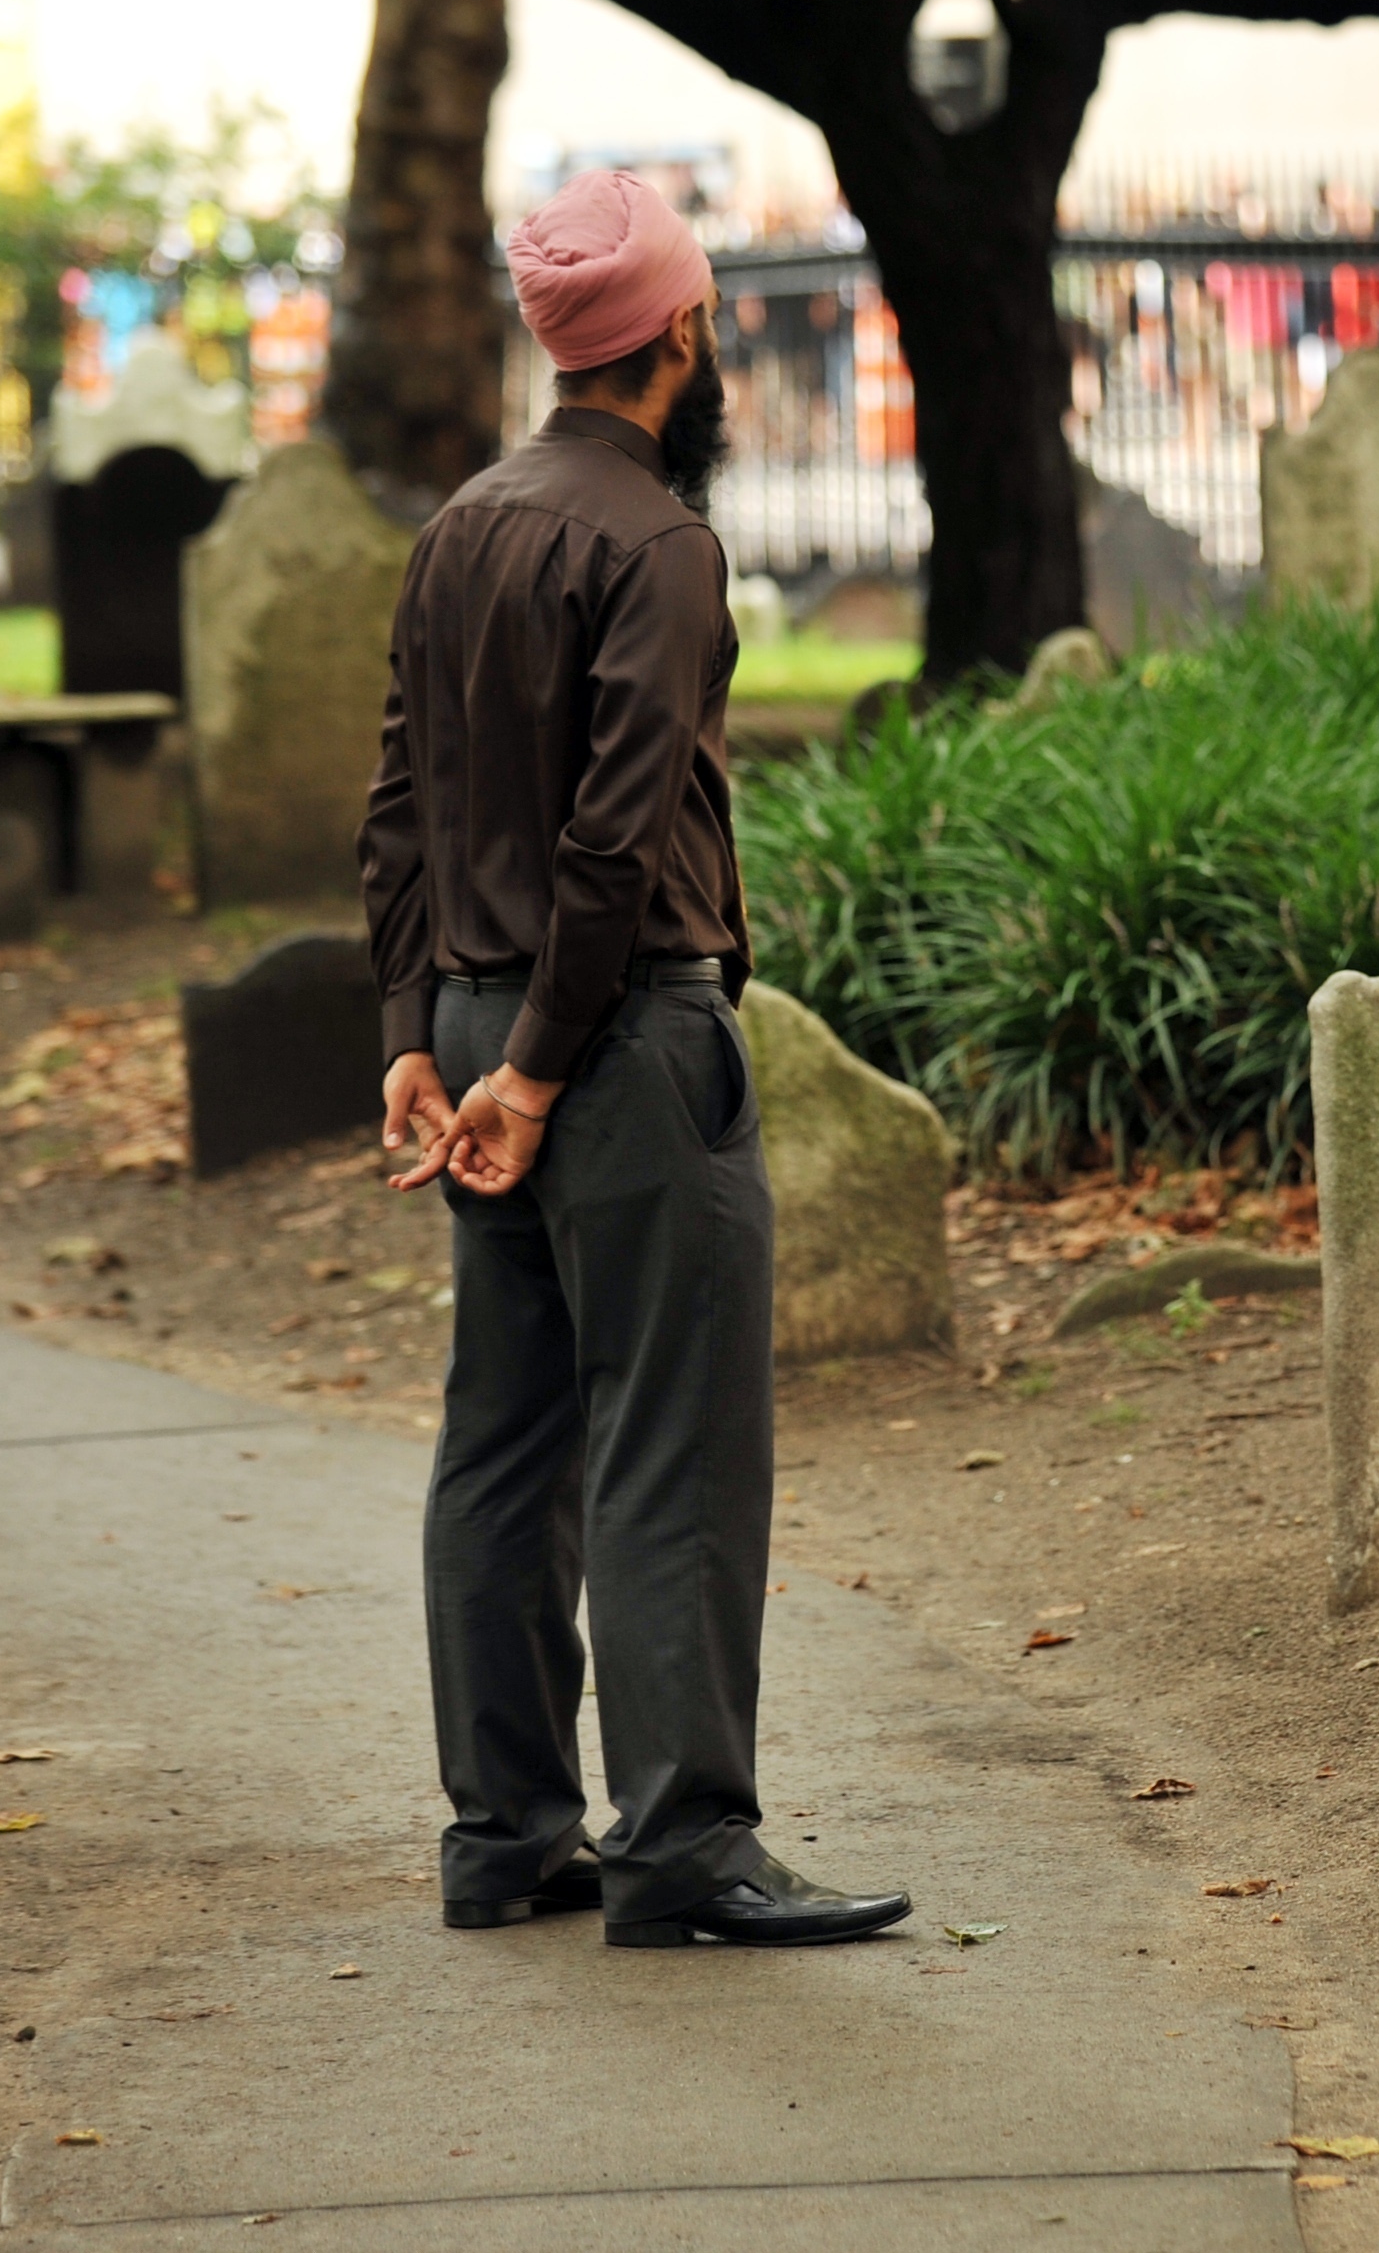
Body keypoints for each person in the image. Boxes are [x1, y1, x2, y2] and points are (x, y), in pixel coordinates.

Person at [358, 168, 910, 1951]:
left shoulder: (462, 526)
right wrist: (532, 1067)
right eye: (708, 316)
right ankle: (683, 1850)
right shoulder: (659, 542)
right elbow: (616, 843)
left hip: (474, 1015)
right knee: (667, 1442)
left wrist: (419, 1041)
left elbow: (396, 811)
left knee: (504, 1433)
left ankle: (506, 1835)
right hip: (618, 1041)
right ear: (679, 332)